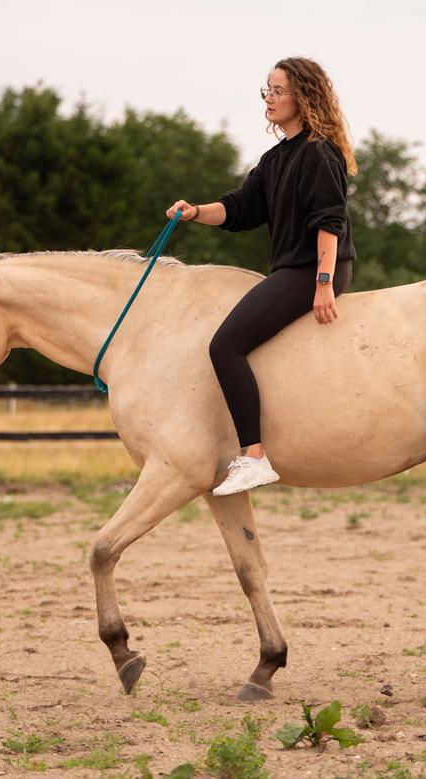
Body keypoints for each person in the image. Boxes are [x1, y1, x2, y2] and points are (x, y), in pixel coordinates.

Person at [166, 56, 357, 496]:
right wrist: (193, 212)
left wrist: (324, 284)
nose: (269, 100)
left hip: (313, 269)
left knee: (225, 344)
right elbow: (238, 208)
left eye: (278, 91)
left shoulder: (319, 152)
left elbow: (330, 222)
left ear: (303, 97)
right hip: (296, 269)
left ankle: (253, 456)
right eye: (266, 91)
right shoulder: (275, 160)